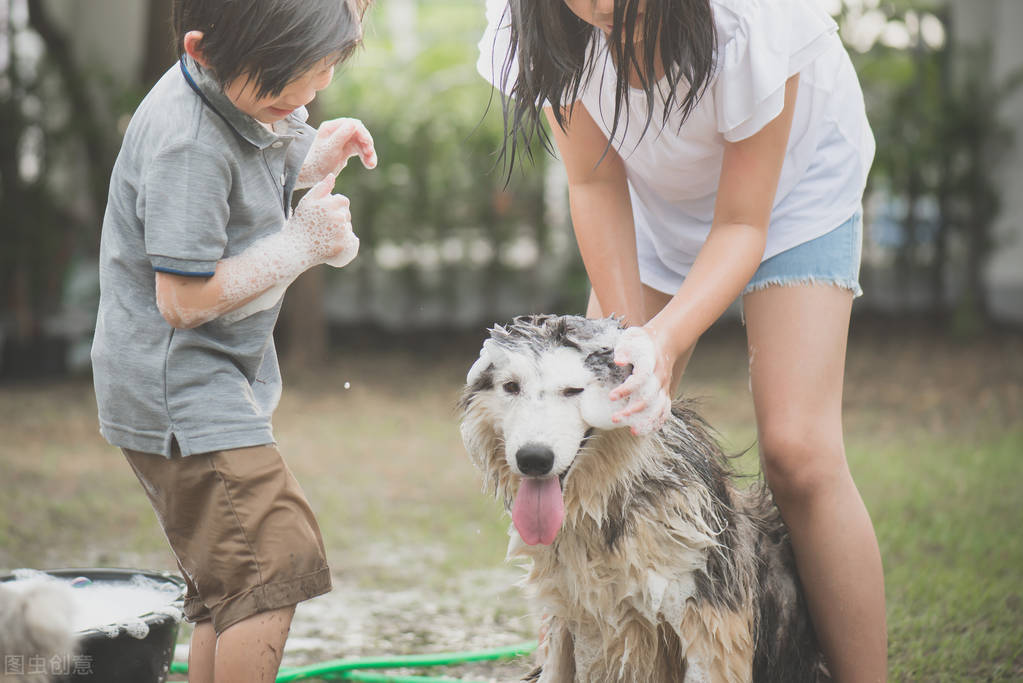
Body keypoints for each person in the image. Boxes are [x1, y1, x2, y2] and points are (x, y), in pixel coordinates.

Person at [477, 0, 887, 679]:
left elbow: (740, 225)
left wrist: (663, 343)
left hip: (789, 196)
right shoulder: (536, 16)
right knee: (600, 436)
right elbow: (591, 179)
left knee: (799, 452)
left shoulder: (754, 19)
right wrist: (626, 344)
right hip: (644, 197)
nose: (597, 8)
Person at [90, 1, 376, 681]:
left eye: (323, 76)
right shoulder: (186, 140)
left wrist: (306, 155)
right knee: (274, 561)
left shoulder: (226, 95)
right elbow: (183, 300)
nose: (307, 98)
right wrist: (300, 245)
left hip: (201, 383)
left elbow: (244, 174)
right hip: (180, 391)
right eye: (287, 92)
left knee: (231, 587)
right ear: (203, 51)